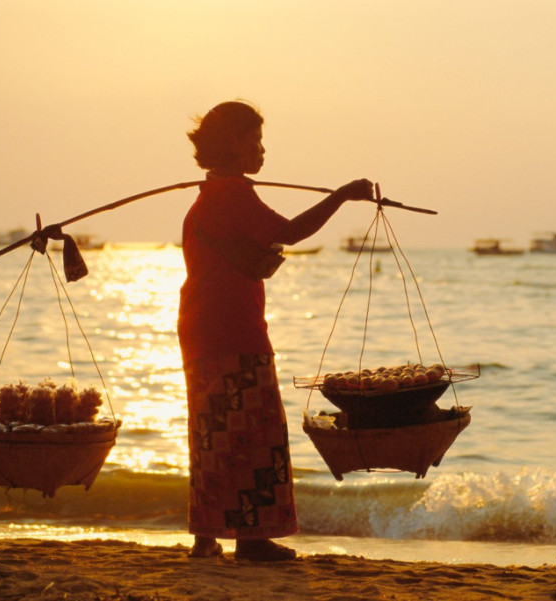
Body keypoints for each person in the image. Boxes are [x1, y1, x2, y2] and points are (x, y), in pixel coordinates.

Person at [178, 100, 373, 561]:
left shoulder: (209, 198)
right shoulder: (233, 195)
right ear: (233, 146)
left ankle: (206, 536)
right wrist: (341, 195)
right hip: (233, 329)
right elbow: (290, 230)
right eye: (255, 142)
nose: (262, 152)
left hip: (201, 327)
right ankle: (250, 538)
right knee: (251, 430)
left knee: (211, 432)